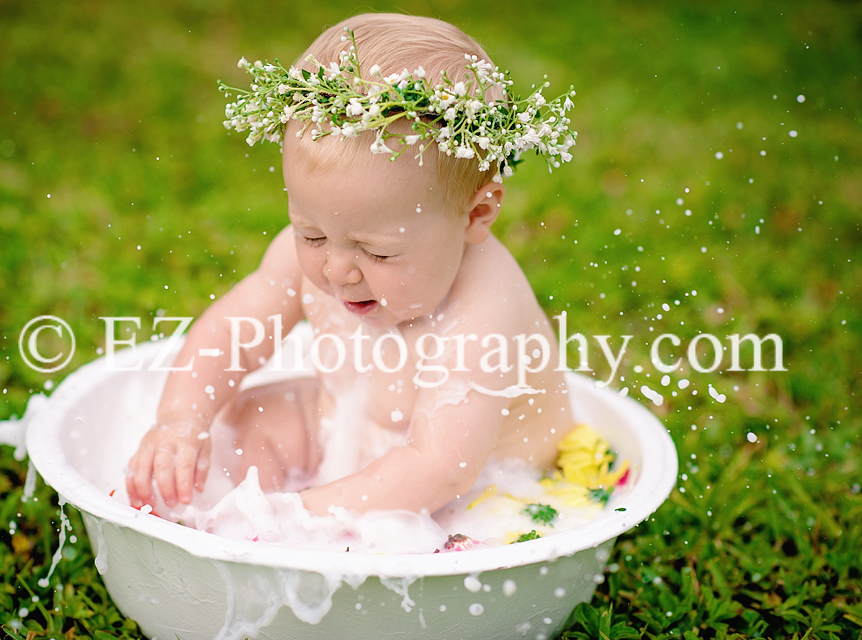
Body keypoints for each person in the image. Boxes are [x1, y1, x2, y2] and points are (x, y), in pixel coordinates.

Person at [125, 12, 578, 518]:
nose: (337, 270)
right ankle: (213, 517)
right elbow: (233, 334)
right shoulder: (325, 257)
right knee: (246, 415)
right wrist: (181, 420)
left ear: (476, 213)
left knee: (461, 514)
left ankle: (271, 527)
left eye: (378, 252)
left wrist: (290, 519)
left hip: (482, 489)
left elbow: (442, 468)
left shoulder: (486, 304)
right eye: (311, 234)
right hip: (350, 440)